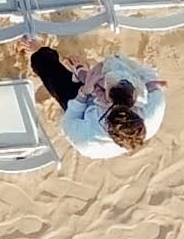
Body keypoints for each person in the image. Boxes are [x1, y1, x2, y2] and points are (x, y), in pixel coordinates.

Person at [30, 48, 166, 158]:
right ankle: (82, 71)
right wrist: (149, 85)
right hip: (128, 90)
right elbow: (149, 77)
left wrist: (84, 91)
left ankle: (41, 51)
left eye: (110, 104)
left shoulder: (86, 139)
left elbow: (69, 119)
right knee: (114, 69)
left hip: (82, 110)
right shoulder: (152, 112)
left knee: (44, 65)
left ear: (105, 121)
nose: (103, 93)